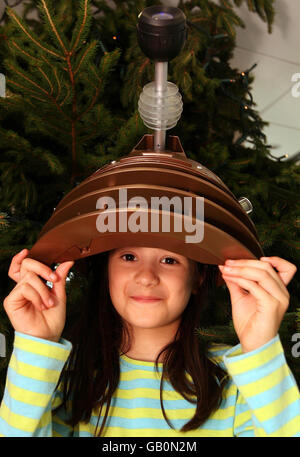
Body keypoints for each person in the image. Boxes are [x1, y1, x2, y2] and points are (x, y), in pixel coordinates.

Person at [0, 246, 299, 437]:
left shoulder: (239, 379)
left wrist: (261, 346)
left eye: (169, 260)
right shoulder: (68, 378)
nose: (146, 277)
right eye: (129, 257)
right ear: (107, 271)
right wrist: (36, 344)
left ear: (197, 278)